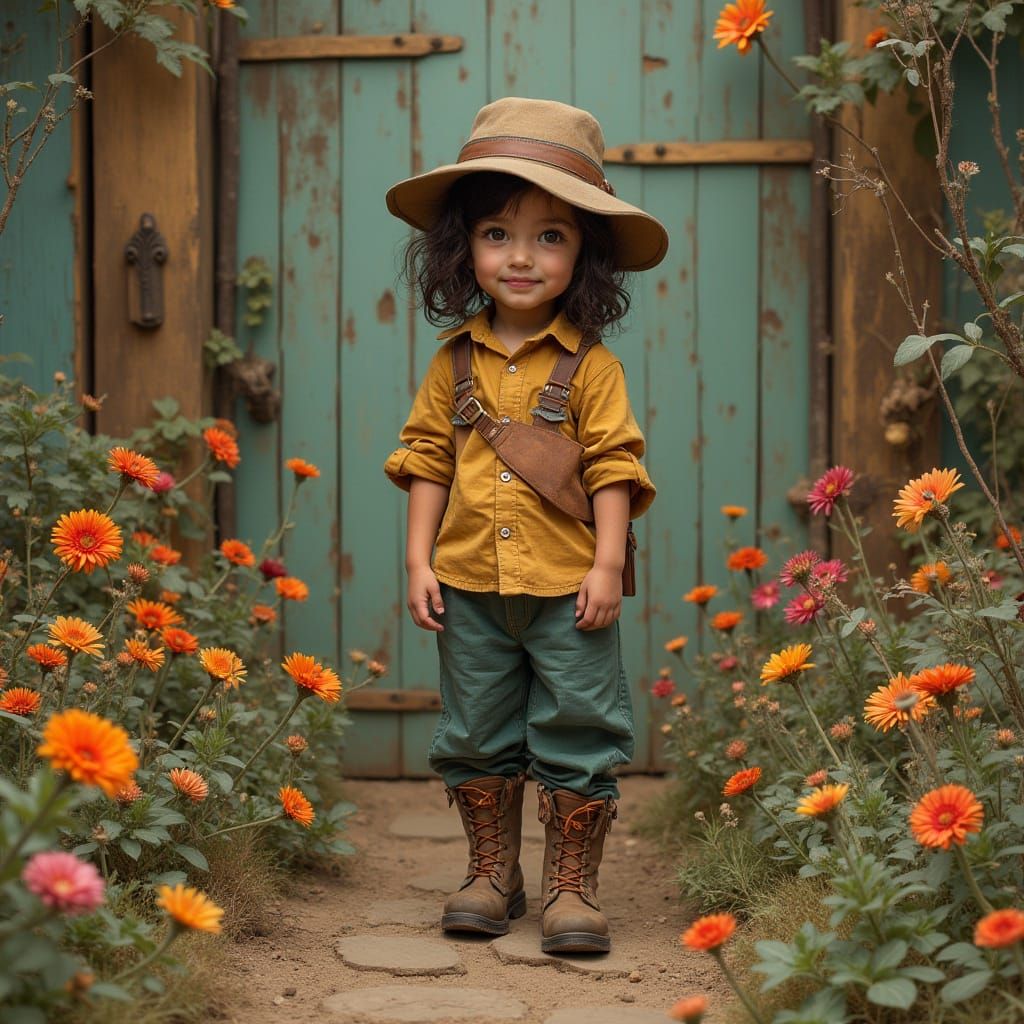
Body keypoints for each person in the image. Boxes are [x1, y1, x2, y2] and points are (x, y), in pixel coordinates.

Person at [383, 97, 667, 954]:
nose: (520, 256)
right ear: (463, 248)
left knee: (578, 724)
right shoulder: (453, 360)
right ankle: (490, 872)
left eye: (550, 236)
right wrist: (417, 560)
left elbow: (613, 466)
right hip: (469, 582)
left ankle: (570, 889)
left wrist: (608, 564)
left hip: (566, 586)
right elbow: (429, 458)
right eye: (498, 232)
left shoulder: (592, 366)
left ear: (583, 255)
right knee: (474, 727)